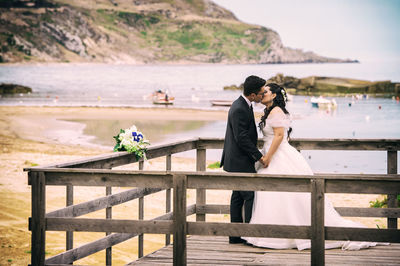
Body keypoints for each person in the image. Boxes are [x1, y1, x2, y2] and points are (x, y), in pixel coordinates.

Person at [242, 83, 383, 250]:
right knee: (274, 194)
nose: (261, 93)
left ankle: (283, 236)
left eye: (265, 91)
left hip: (277, 155)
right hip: (273, 153)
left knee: (282, 193)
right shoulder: (269, 111)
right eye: (261, 91)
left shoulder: (276, 111)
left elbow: (279, 136)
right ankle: (272, 234)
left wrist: (267, 157)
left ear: (274, 95)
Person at [220, 75, 269, 244]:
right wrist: (259, 156)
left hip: (237, 159)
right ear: (253, 95)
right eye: (261, 93)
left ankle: (235, 235)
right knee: (248, 195)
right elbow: (241, 138)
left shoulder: (242, 104)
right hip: (239, 160)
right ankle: (247, 236)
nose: (263, 95)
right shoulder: (240, 107)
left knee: (237, 197)